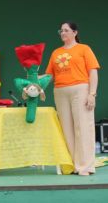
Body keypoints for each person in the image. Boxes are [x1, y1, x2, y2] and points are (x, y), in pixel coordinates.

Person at [45, 22, 100, 176]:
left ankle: (85, 166)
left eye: (66, 30)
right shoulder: (56, 53)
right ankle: (71, 165)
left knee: (82, 127)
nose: (63, 33)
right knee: (66, 128)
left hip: (80, 89)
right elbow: (49, 76)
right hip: (60, 91)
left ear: (74, 33)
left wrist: (92, 94)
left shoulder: (84, 49)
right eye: (61, 31)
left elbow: (93, 72)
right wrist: (33, 80)